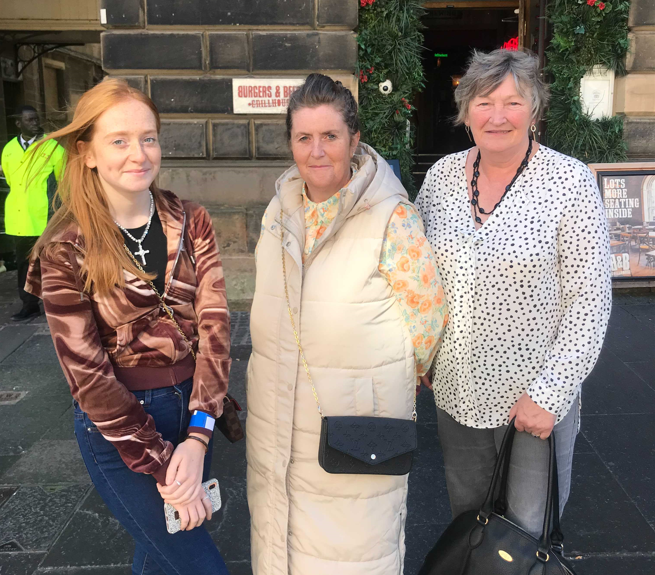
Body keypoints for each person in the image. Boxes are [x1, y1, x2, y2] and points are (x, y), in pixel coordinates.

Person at [24, 79, 231, 575]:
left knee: (159, 558)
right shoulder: (64, 248)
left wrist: (199, 435)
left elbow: (216, 330)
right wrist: (164, 465)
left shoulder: (192, 220)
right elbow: (87, 376)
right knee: (198, 565)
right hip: (119, 427)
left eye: (149, 137)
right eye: (119, 140)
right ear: (88, 153)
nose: (138, 153)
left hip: (193, 411)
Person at [247, 73, 448, 575]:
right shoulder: (279, 210)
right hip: (278, 417)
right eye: (303, 137)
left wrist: (387, 377)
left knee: (352, 553)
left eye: (330, 136)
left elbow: (427, 319)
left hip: (356, 419)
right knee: (281, 544)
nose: (317, 151)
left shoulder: (391, 217)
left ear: (354, 140)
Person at [415, 49, 612, 538]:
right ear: (465, 112)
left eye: (512, 102)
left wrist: (549, 394)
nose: (497, 116)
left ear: (535, 110)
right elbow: (414, 271)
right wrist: (423, 356)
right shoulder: (440, 179)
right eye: (483, 102)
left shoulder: (569, 182)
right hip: (457, 390)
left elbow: (590, 300)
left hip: (532, 397)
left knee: (527, 534)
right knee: (470, 525)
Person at [1, 105, 65, 321]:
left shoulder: (52, 147)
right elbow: (11, 180)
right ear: (18, 123)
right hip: (19, 217)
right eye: (29, 120)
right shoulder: (9, 149)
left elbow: (64, 181)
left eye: (36, 119)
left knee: (50, 262)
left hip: (46, 216)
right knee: (23, 264)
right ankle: (29, 305)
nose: (35, 123)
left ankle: (55, 302)